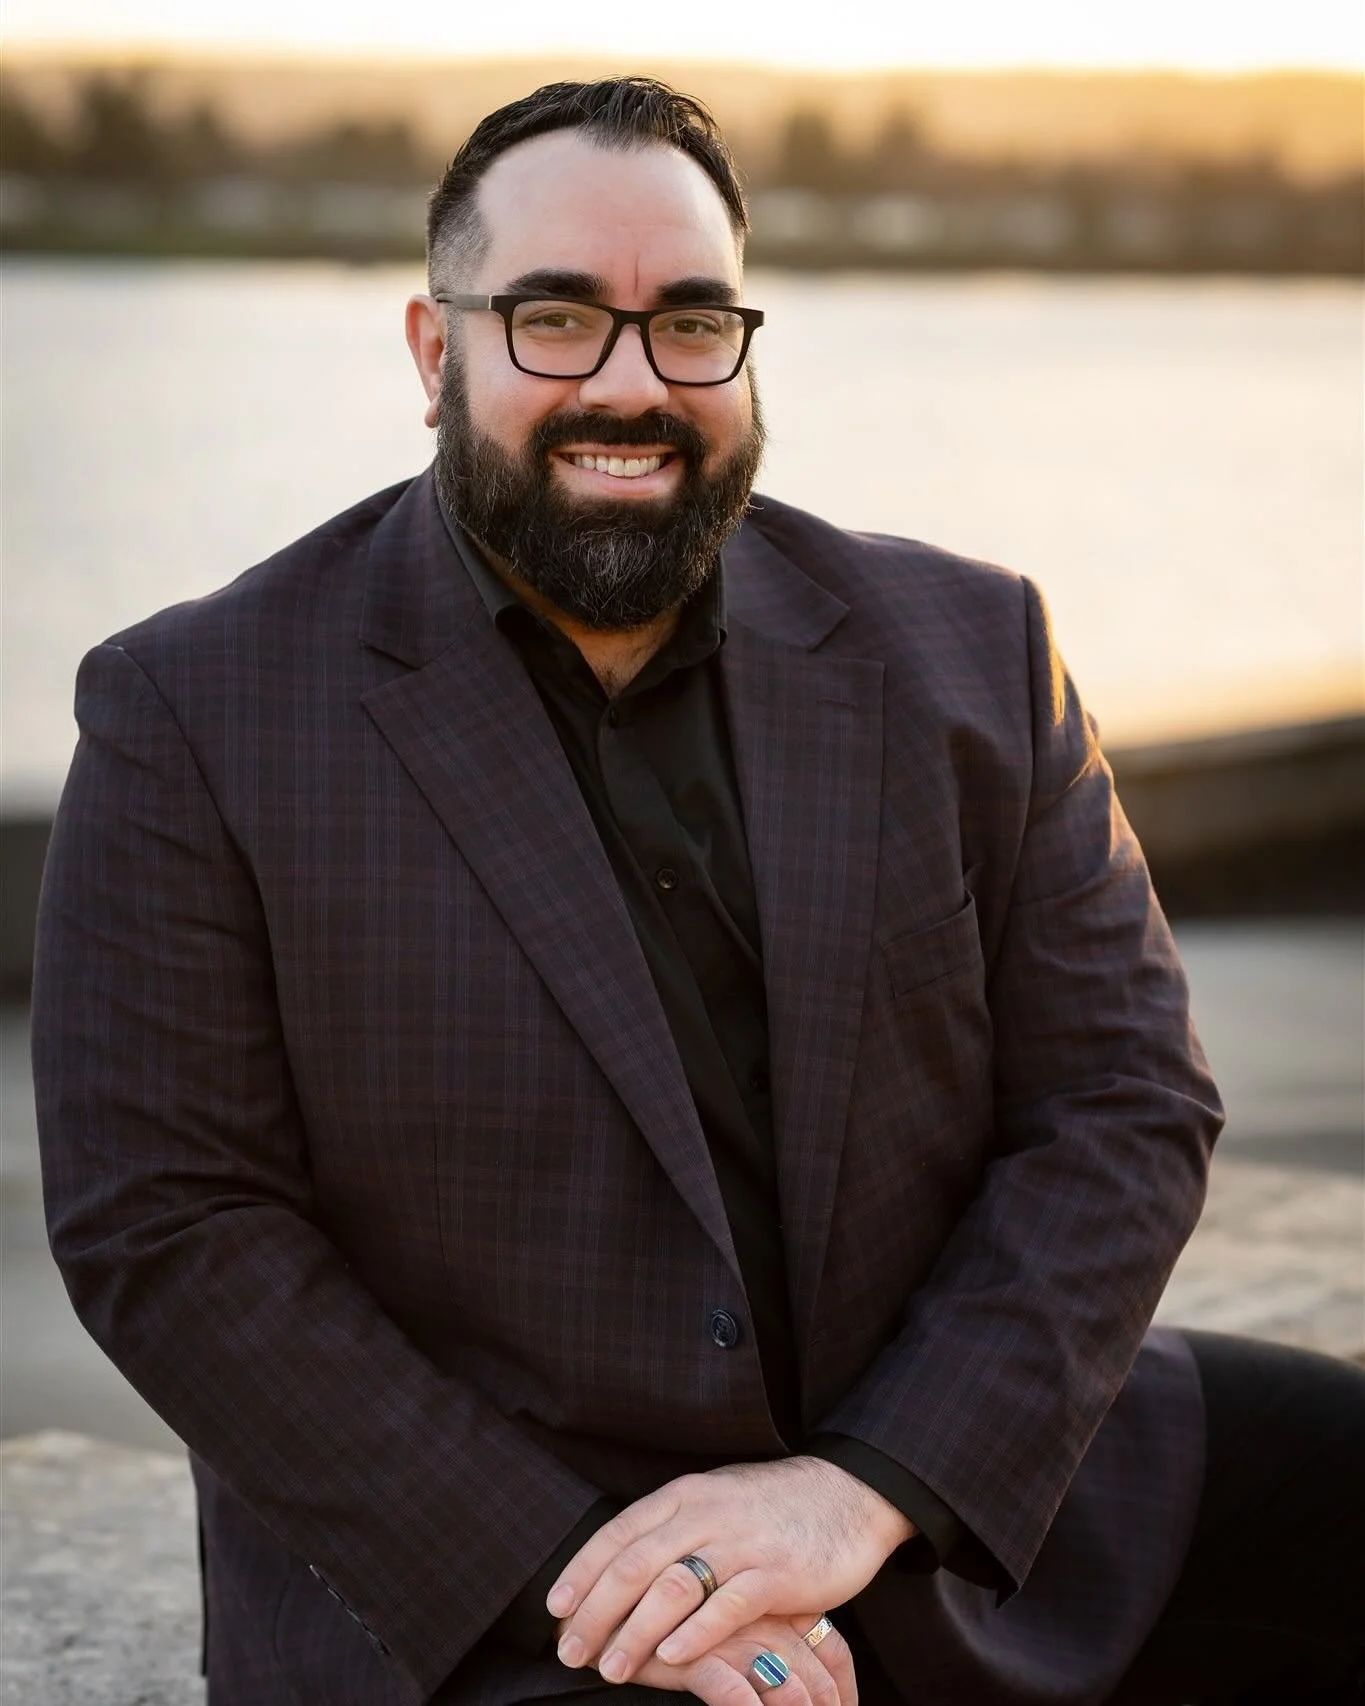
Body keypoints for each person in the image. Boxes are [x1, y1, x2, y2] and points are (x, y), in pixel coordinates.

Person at [31, 76, 1362, 1706]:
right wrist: (630, 1587)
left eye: (689, 324)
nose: (631, 384)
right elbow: (168, 1227)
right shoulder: (196, 710)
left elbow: (1125, 1101)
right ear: (435, 350)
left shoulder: (973, 648)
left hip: (930, 1480)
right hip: (501, 1578)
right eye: (557, 320)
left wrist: (865, 1486)